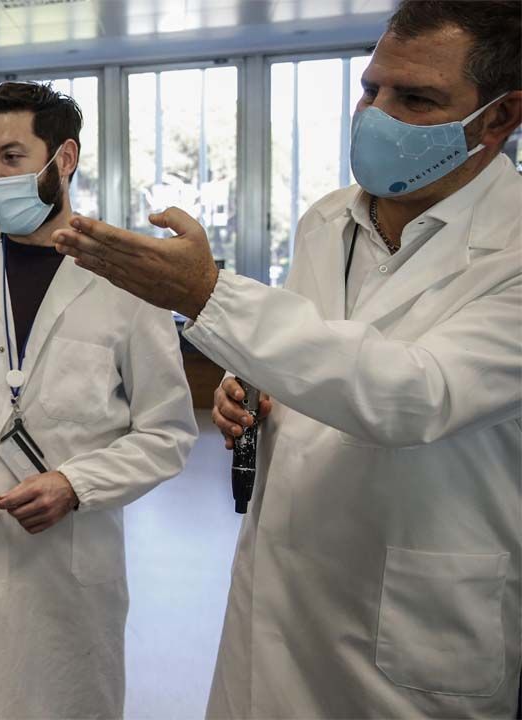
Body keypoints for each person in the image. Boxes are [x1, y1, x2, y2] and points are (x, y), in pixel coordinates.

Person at [51, 2, 522, 716]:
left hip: (417, 609)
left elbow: (413, 394)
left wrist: (206, 294)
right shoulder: (327, 220)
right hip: (284, 581)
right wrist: (250, 386)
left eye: (415, 99)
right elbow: (309, 351)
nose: (376, 116)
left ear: (499, 117)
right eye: (370, 89)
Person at [0, 82, 197, 719]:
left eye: (12, 157)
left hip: (64, 569)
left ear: (64, 159)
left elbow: (167, 433)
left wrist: (75, 484)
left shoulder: (128, 283)